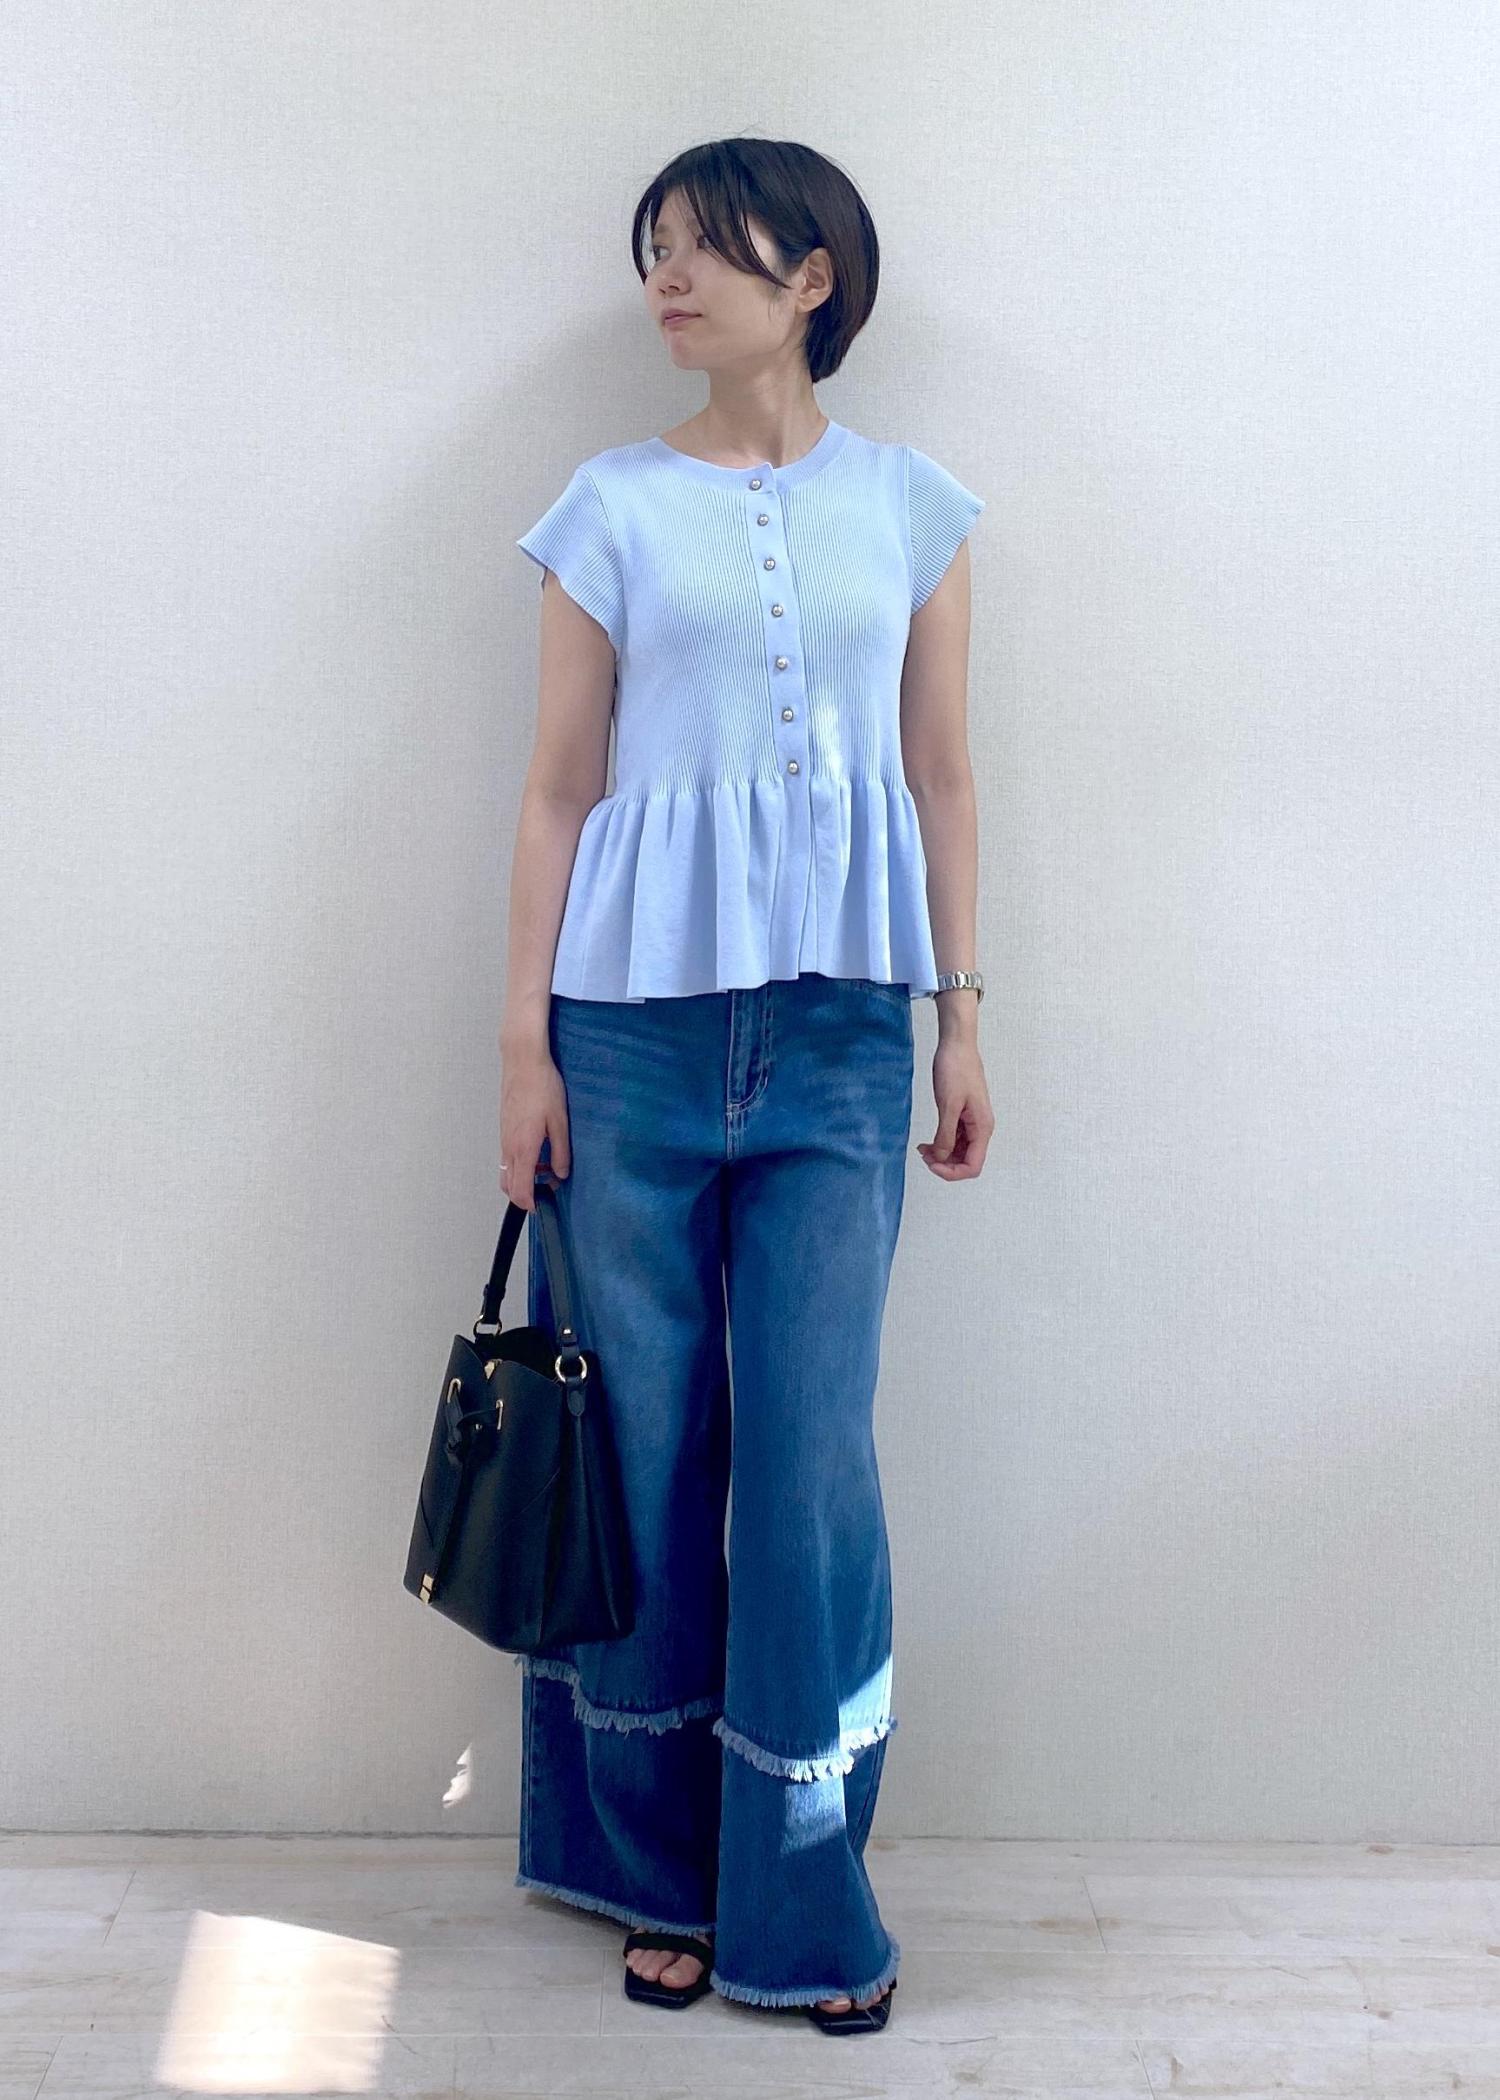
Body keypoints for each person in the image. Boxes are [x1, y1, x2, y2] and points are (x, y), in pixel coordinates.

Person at [498, 135, 994, 2036]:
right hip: (627, 1035)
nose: (670, 281)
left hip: (847, 1034)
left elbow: (940, 776)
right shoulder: (608, 507)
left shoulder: (915, 507)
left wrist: (961, 1016)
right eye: (657, 250)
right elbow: (560, 786)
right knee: (643, 1451)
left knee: (808, 1468)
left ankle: (800, 1889)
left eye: (708, 248)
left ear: (816, 278)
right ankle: (653, 1875)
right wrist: (523, 1043)